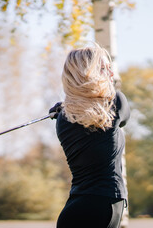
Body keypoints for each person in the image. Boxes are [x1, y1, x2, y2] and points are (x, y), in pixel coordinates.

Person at [49, 44, 130, 228]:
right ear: (85, 73)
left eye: (110, 68)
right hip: (103, 206)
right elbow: (124, 119)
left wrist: (64, 107)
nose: (111, 74)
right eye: (103, 68)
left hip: (77, 207)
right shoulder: (116, 102)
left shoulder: (63, 118)